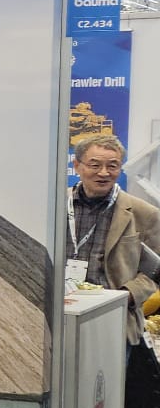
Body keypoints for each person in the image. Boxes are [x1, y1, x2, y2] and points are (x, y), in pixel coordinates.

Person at [69, 133, 158, 344]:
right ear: (77, 165)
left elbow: (156, 270)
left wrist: (125, 296)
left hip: (114, 320)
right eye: (94, 165)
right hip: (59, 315)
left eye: (113, 166)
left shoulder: (144, 213)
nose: (104, 173)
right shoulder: (55, 206)